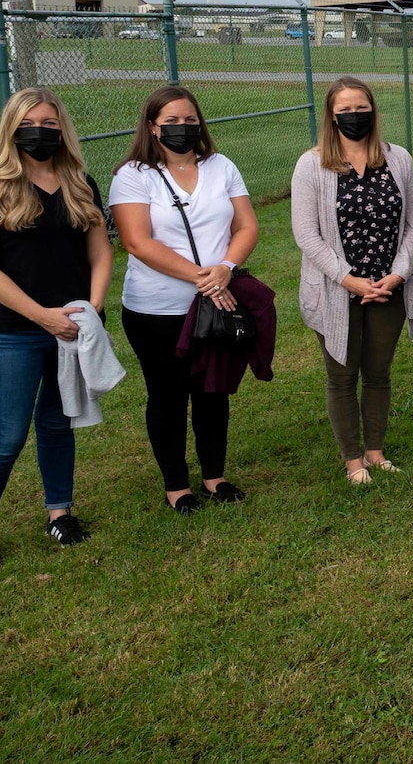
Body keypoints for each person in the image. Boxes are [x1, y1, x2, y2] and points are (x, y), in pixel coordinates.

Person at [0, 88, 112, 570]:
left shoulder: (79, 181)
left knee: (58, 422)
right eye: (30, 123)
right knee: (6, 435)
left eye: (49, 122)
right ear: (12, 128)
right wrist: (42, 316)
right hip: (14, 332)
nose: (40, 131)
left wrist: (92, 309)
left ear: (62, 128)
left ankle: (59, 512)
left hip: (71, 327)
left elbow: (101, 252)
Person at [109, 85, 260, 512]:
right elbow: (137, 242)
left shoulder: (221, 166)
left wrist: (226, 269)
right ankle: (177, 486)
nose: (182, 128)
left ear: (200, 123)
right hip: (155, 310)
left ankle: (215, 477)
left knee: (212, 392)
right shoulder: (133, 175)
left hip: (216, 302)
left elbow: (246, 225)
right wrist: (204, 277)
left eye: (189, 120)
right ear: (152, 127)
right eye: (170, 122)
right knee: (167, 396)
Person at [291, 76, 413, 486]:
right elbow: (306, 235)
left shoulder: (397, 158)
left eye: (361, 108)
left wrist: (397, 274)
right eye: (344, 110)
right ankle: (352, 460)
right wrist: (350, 280)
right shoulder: (311, 164)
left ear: (373, 111)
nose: (354, 116)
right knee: (342, 376)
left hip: (389, 288)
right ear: (331, 115)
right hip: (337, 289)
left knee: (379, 374)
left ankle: (376, 451)